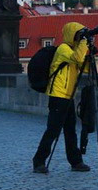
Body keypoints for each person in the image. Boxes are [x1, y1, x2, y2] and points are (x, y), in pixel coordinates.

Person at [32, 21, 92, 174]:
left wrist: (89, 53)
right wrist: (84, 42)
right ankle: (39, 161)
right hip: (58, 96)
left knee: (70, 130)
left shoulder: (73, 50)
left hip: (68, 96)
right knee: (53, 130)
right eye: (79, 35)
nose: (80, 38)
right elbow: (77, 59)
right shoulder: (63, 49)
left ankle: (76, 161)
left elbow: (85, 68)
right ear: (72, 35)